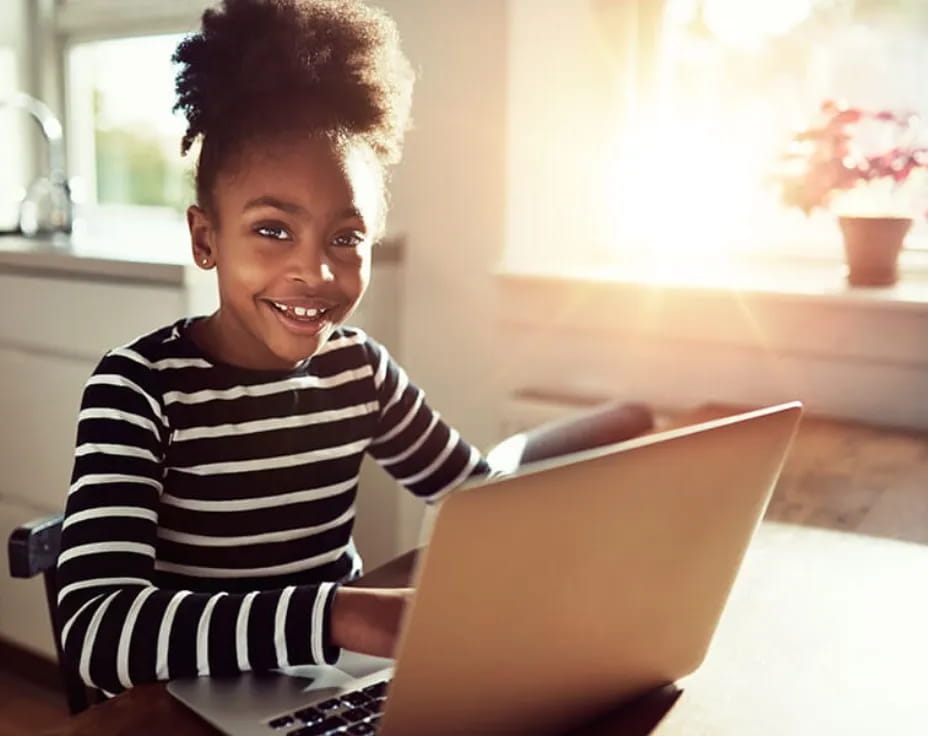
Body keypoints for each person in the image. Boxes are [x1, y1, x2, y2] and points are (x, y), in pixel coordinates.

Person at [55, 0, 493, 694]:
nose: (316, 274)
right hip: (187, 707)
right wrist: (338, 614)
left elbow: (483, 505)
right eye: (272, 230)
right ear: (206, 239)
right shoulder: (140, 390)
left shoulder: (362, 373)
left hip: (323, 689)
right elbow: (98, 635)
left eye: (345, 239)